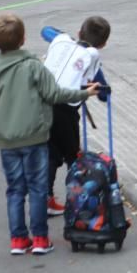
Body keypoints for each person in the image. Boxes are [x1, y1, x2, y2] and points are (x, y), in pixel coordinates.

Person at [0, 13, 100, 256]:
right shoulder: (34, 67)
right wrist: (84, 94)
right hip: (35, 137)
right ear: (23, 38)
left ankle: (18, 240)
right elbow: (56, 95)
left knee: (15, 189)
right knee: (37, 188)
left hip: (6, 140)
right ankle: (39, 239)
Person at [42, 16, 111, 217]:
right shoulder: (91, 55)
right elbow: (101, 85)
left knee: (51, 152)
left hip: (41, 103)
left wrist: (67, 38)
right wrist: (105, 96)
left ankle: (46, 197)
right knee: (73, 156)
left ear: (79, 33)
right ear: (103, 44)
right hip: (64, 109)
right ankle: (81, 200)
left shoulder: (61, 40)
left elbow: (46, 30)